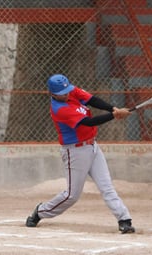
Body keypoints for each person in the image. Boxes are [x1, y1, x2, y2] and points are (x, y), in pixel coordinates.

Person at [25, 74, 135, 234]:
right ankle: (40, 211)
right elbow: (88, 122)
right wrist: (114, 116)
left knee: (107, 187)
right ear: (53, 94)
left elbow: (92, 100)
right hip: (75, 151)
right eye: (62, 93)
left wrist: (113, 109)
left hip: (92, 145)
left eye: (67, 91)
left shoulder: (70, 91)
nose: (67, 94)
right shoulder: (59, 109)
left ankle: (124, 220)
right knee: (71, 195)